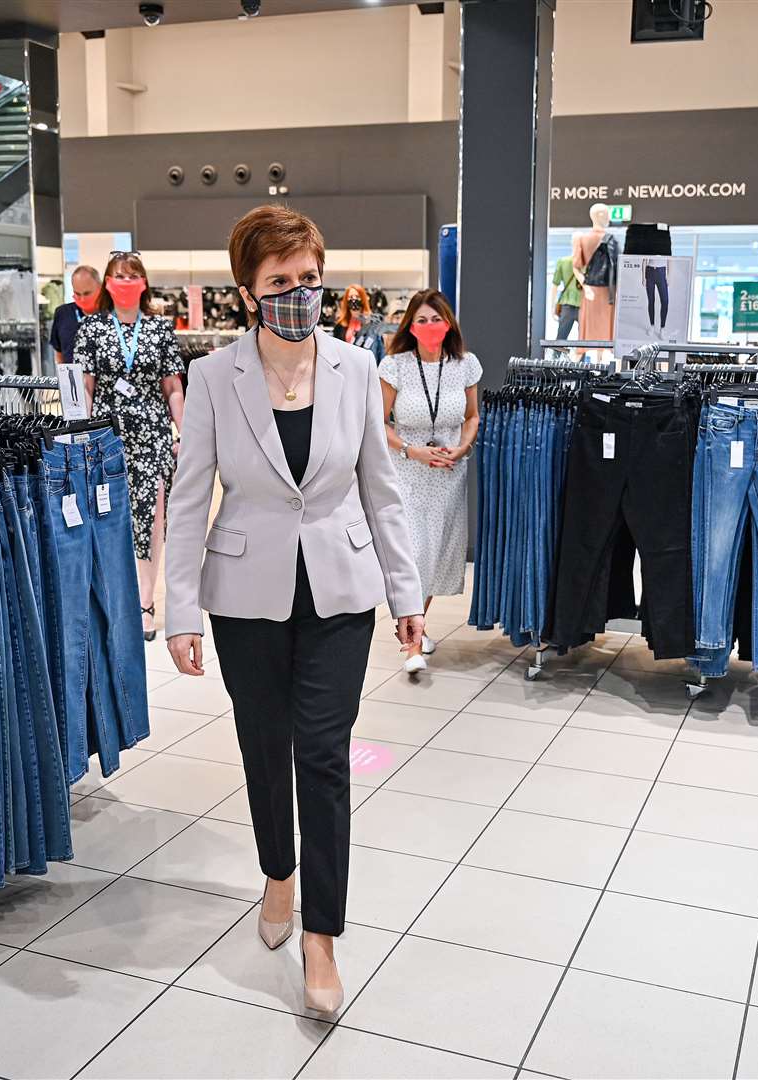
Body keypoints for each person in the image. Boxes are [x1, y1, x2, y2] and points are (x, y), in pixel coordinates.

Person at [163, 205, 425, 1014]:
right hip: (246, 596)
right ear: (247, 291)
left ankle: (322, 936)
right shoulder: (213, 378)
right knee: (262, 743)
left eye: (309, 278)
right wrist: (179, 610)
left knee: (322, 753)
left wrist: (407, 592)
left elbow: (382, 490)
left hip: (342, 592)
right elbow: (187, 499)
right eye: (280, 281)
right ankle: (277, 872)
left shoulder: (355, 367)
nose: (299, 293)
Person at [71, 252, 185, 641]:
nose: (125, 281)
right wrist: (79, 430)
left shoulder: (160, 329)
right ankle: (113, 600)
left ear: (143, 282)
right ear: (107, 282)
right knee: (110, 517)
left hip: (152, 436)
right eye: (118, 275)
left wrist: (183, 432)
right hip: (107, 436)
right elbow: (85, 385)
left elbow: (172, 387)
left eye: (132, 275)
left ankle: (146, 602)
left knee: (151, 519)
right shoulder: (91, 328)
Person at [378, 288, 482, 673]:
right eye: (421, 319)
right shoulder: (395, 366)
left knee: (437, 554)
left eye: (436, 318)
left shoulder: (465, 365)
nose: (429, 326)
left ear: (448, 322)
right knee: (415, 553)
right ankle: (412, 646)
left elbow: (471, 416)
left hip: (449, 475)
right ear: (410, 325)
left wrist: (461, 448)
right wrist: (411, 450)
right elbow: (378, 421)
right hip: (408, 472)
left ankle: (416, 628)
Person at [49, 264, 101, 365]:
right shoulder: (63, 314)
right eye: (77, 294)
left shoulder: (113, 315)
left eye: (87, 293)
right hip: (72, 377)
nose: (82, 299)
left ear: (100, 289)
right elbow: (59, 354)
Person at [332, 283, 385, 360]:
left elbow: (379, 352)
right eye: (350, 297)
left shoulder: (373, 324)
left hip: (366, 366)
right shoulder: (339, 326)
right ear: (346, 300)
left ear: (363, 299)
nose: (354, 299)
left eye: (357, 296)